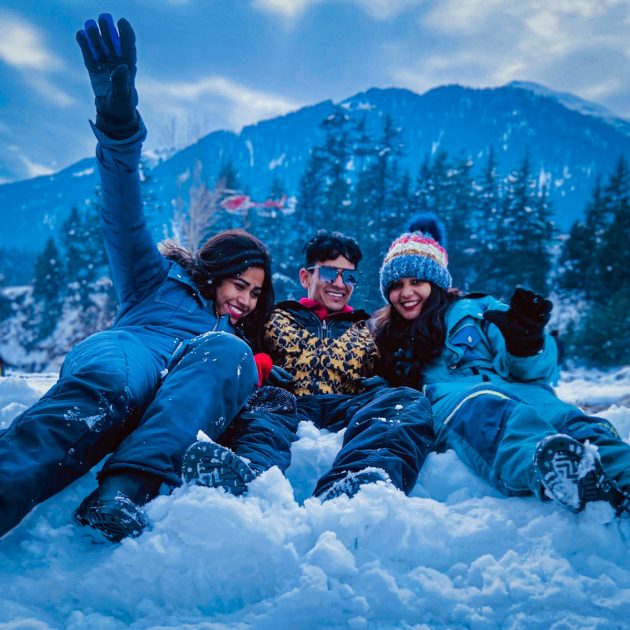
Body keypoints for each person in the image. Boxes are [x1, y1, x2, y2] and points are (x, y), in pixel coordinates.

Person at [0, 14, 274, 542]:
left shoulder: (229, 343)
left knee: (232, 356)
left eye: (256, 293)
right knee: (106, 389)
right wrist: (119, 126)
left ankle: (120, 491)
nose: (245, 299)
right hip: (131, 350)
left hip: (189, 377)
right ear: (214, 273)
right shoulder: (156, 279)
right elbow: (122, 213)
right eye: (239, 284)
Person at [371, 213, 630, 515]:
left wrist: (527, 343)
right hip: (455, 401)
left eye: (417, 281)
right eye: (396, 284)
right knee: (492, 414)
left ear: (436, 282)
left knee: (573, 421)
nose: (406, 293)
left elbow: (534, 372)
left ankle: (622, 472)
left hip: (518, 389)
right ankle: (561, 474)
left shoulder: (477, 309)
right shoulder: (385, 334)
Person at [182, 229, 435, 500]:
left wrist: (385, 382)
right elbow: (238, 345)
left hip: (347, 406)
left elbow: (402, 363)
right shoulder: (273, 316)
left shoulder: (370, 329)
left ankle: (361, 479)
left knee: (406, 401)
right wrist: (258, 362)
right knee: (262, 411)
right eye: (329, 273)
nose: (339, 284)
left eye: (349, 276)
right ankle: (249, 475)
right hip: (285, 402)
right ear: (306, 276)